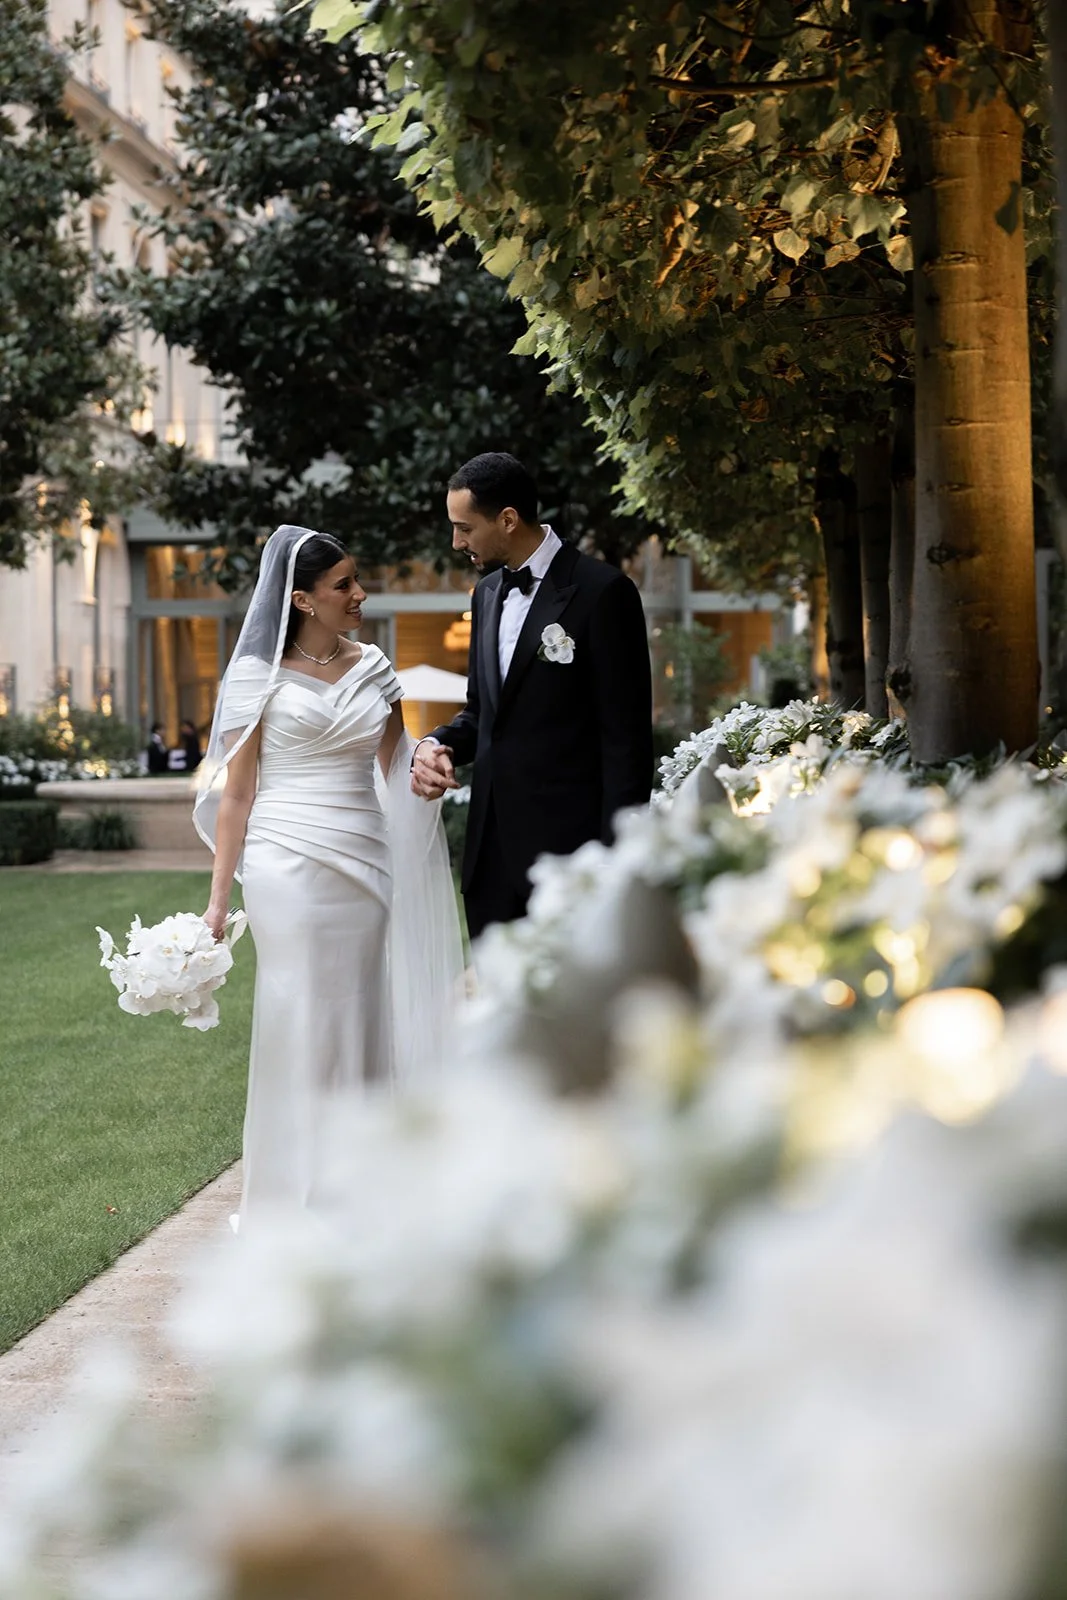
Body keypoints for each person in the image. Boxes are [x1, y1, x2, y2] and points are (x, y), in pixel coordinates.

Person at [194, 525, 462, 1226]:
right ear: (303, 599)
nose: (360, 593)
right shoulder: (255, 677)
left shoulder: (374, 667)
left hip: (365, 858)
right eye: (344, 584)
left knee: (359, 1013)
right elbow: (237, 796)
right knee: (303, 1015)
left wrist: (429, 763)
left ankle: (362, 1194)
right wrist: (218, 902)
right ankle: (293, 1203)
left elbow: (397, 762)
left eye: (355, 579)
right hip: (285, 863)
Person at [412, 453, 653, 941]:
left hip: (572, 859)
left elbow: (626, 741)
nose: (457, 542)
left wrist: (615, 860)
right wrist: (435, 744)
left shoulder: (604, 592)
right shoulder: (486, 594)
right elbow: (484, 713)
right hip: (490, 861)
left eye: (465, 528)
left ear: (507, 519)